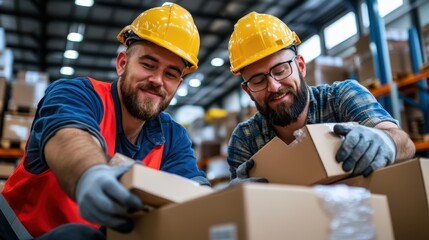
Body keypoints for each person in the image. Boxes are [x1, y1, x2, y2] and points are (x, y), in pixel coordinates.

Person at [0, 2, 209, 239]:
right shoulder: (76, 93)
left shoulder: (172, 136)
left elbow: (190, 190)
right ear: (122, 63)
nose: (157, 80)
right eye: (148, 64)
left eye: (170, 74)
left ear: (178, 85)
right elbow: (69, 136)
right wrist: (90, 173)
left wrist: (221, 202)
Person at [227, 12, 416, 184]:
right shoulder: (245, 139)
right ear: (248, 91)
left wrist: (385, 141)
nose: (274, 86)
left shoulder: (342, 97)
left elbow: (404, 143)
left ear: (300, 66)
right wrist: (238, 199)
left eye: (280, 70)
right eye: (258, 81)